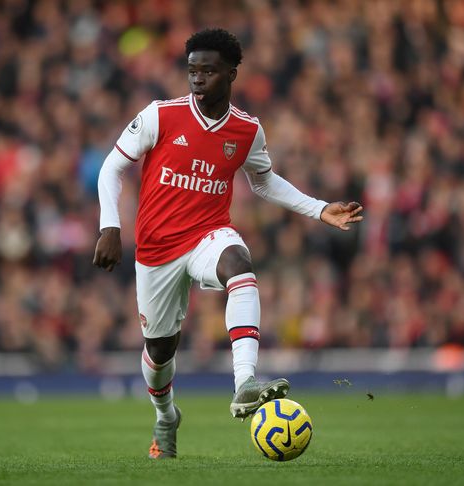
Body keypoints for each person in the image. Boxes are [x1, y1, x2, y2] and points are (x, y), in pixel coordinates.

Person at [93, 28, 363, 459]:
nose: (197, 79)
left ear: (232, 73)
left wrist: (319, 209)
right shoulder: (161, 116)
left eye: (208, 71)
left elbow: (264, 181)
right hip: (156, 250)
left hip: (207, 235)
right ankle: (166, 417)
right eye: (192, 70)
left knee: (240, 263)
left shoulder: (246, 129)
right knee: (160, 351)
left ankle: (244, 384)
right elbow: (111, 168)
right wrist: (110, 226)